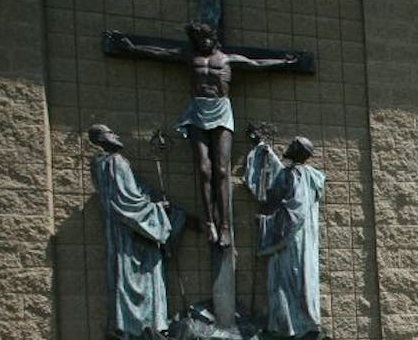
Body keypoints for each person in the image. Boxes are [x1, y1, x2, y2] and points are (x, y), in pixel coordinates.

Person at [105, 22, 300, 248]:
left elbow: (256, 63)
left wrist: (285, 61)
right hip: (197, 110)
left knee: (222, 169)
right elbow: (161, 52)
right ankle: (209, 222)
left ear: (214, 38)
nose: (204, 43)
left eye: (207, 38)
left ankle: (225, 225)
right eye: (199, 39)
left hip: (221, 110)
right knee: (204, 169)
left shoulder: (227, 59)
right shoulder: (190, 57)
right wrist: (131, 48)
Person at [87, 124, 185, 340]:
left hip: (121, 234)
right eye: (111, 133)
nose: (117, 135)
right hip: (135, 237)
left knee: (130, 281)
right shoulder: (115, 162)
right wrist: (157, 209)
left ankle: (141, 334)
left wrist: (150, 199)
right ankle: (146, 334)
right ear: (101, 138)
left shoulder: (100, 165)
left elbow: (132, 193)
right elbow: (127, 202)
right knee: (142, 281)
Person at [244, 131, 326, 340]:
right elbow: (279, 180)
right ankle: (293, 325)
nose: (287, 147)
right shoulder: (307, 176)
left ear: (297, 151)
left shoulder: (295, 175)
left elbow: (293, 211)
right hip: (302, 239)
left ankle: (288, 327)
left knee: (285, 280)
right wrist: (263, 147)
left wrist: (265, 222)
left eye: (292, 145)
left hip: (290, 242)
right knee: (296, 280)